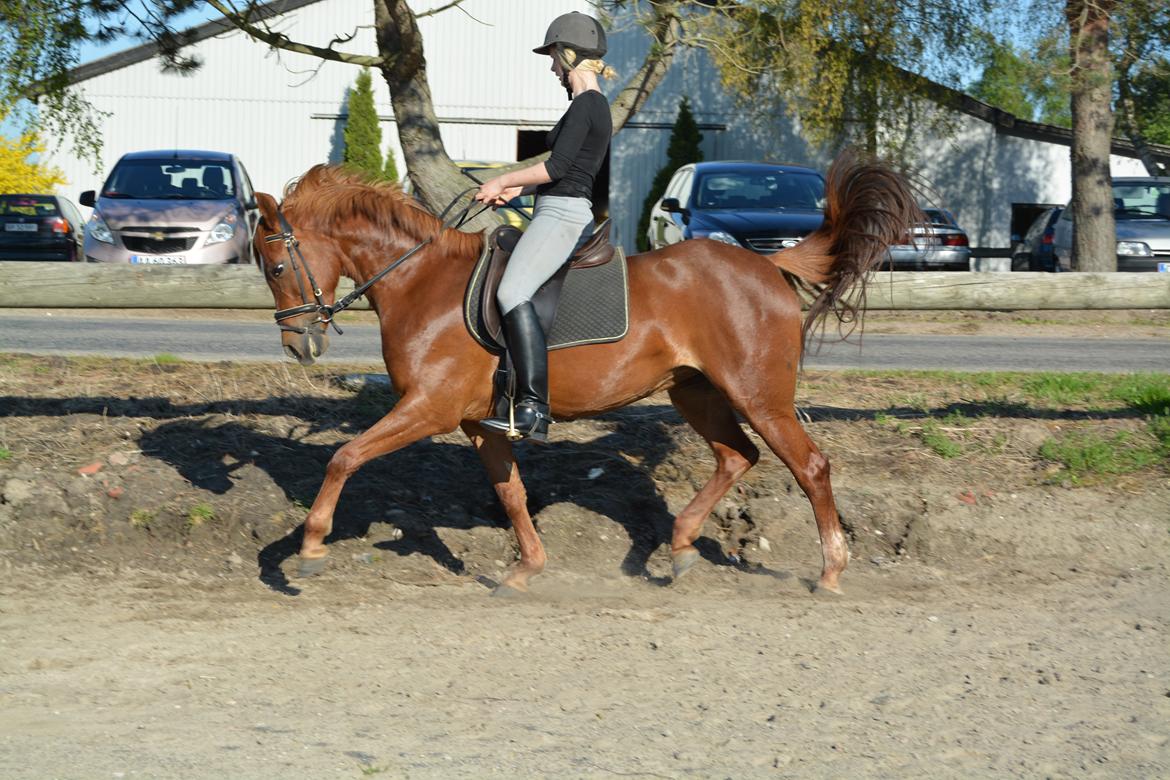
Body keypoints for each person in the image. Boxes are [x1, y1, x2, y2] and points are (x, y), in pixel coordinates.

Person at [474, 11, 615, 442]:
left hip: (562, 215)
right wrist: (520, 192)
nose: (553, 67)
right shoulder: (589, 106)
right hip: (555, 206)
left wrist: (502, 178)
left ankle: (533, 407)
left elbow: (556, 166)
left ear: (569, 55)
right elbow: (565, 172)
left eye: (554, 57)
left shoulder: (587, 104)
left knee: (511, 291)